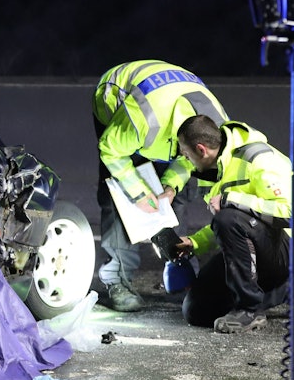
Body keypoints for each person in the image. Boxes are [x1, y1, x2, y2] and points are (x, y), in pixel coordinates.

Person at [93, 60, 228, 311]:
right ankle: (117, 279)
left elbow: (190, 161)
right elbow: (110, 150)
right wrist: (138, 192)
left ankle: (181, 274)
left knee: (181, 192)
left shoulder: (216, 125)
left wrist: (171, 186)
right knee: (119, 195)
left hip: (165, 120)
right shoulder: (142, 119)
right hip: (118, 103)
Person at [173, 114, 294, 333]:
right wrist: (195, 243)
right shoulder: (215, 170)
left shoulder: (259, 158)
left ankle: (249, 310)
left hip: (287, 248)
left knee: (228, 215)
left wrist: (232, 200)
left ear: (201, 150)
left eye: (186, 154)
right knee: (196, 310)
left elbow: (291, 213)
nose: (186, 160)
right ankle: (287, 289)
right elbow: (234, 227)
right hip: (256, 246)